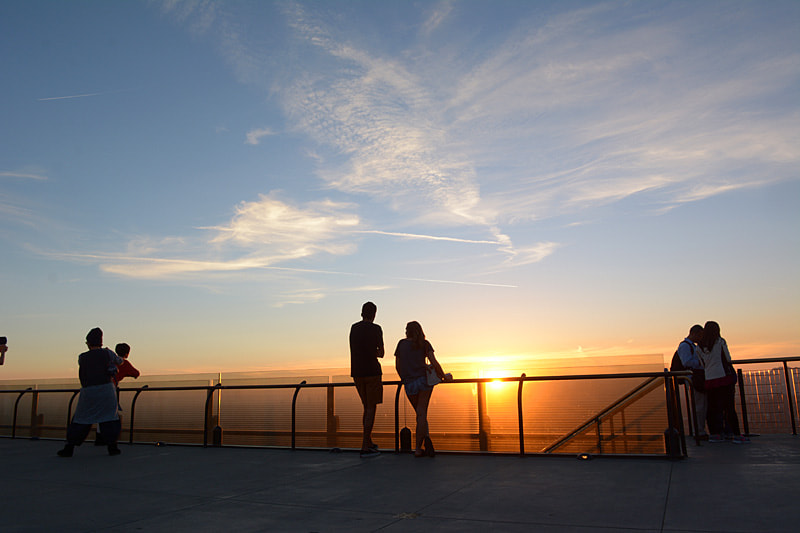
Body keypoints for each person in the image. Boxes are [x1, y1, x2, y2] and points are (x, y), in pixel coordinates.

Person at [58, 328, 124, 457]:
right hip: (106, 390)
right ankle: (112, 447)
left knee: (81, 419)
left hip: (88, 391)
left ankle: (69, 447)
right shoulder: (107, 353)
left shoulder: (82, 357)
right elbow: (120, 362)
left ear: (88, 343)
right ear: (101, 341)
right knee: (109, 418)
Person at [394, 321, 447, 458]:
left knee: (420, 415)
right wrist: (443, 376)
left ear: (407, 331)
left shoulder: (401, 344)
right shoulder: (425, 344)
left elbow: (398, 366)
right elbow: (434, 362)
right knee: (421, 414)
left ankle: (425, 443)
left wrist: (404, 378)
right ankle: (418, 448)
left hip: (409, 384)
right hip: (424, 382)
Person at [699, 321, 749, 444]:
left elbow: (702, 364)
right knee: (729, 407)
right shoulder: (720, 342)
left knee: (712, 408)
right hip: (723, 377)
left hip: (709, 379)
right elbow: (728, 358)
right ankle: (736, 435)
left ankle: (715, 434)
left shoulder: (699, 346)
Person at [349, 302, 385, 458]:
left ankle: (368, 441)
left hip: (357, 372)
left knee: (366, 407)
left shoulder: (354, 328)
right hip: (372, 372)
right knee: (371, 408)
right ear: (374, 314)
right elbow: (381, 353)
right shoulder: (376, 329)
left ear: (361, 313)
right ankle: (365, 446)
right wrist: (373, 352)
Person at [672, 324, 708, 439]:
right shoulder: (685, 346)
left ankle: (700, 430)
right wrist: (702, 363)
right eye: (700, 335)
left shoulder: (690, 346)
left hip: (694, 378)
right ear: (694, 334)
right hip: (693, 379)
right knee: (699, 405)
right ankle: (699, 431)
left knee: (701, 405)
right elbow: (687, 362)